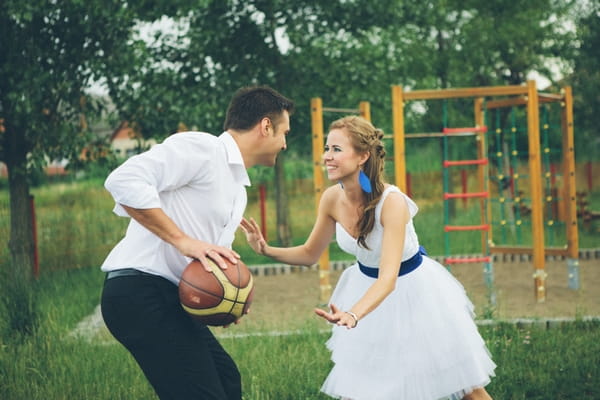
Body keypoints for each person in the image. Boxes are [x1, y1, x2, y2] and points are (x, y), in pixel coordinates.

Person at [241, 116, 496, 400]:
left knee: (464, 388)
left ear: (363, 156)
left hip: (414, 293)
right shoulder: (330, 199)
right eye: (327, 148)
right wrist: (265, 249)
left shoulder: (392, 203)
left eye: (337, 149)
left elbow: (388, 280)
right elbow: (310, 253)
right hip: (364, 288)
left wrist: (353, 313)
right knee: (361, 387)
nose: (327, 156)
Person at [100, 85, 294, 400]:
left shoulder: (237, 189)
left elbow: (209, 265)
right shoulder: (203, 149)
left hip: (169, 298)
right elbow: (123, 180)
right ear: (266, 126)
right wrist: (183, 241)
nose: (285, 144)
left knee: (228, 382)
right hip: (139, 292)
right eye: (284, 132)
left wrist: (227, 301)